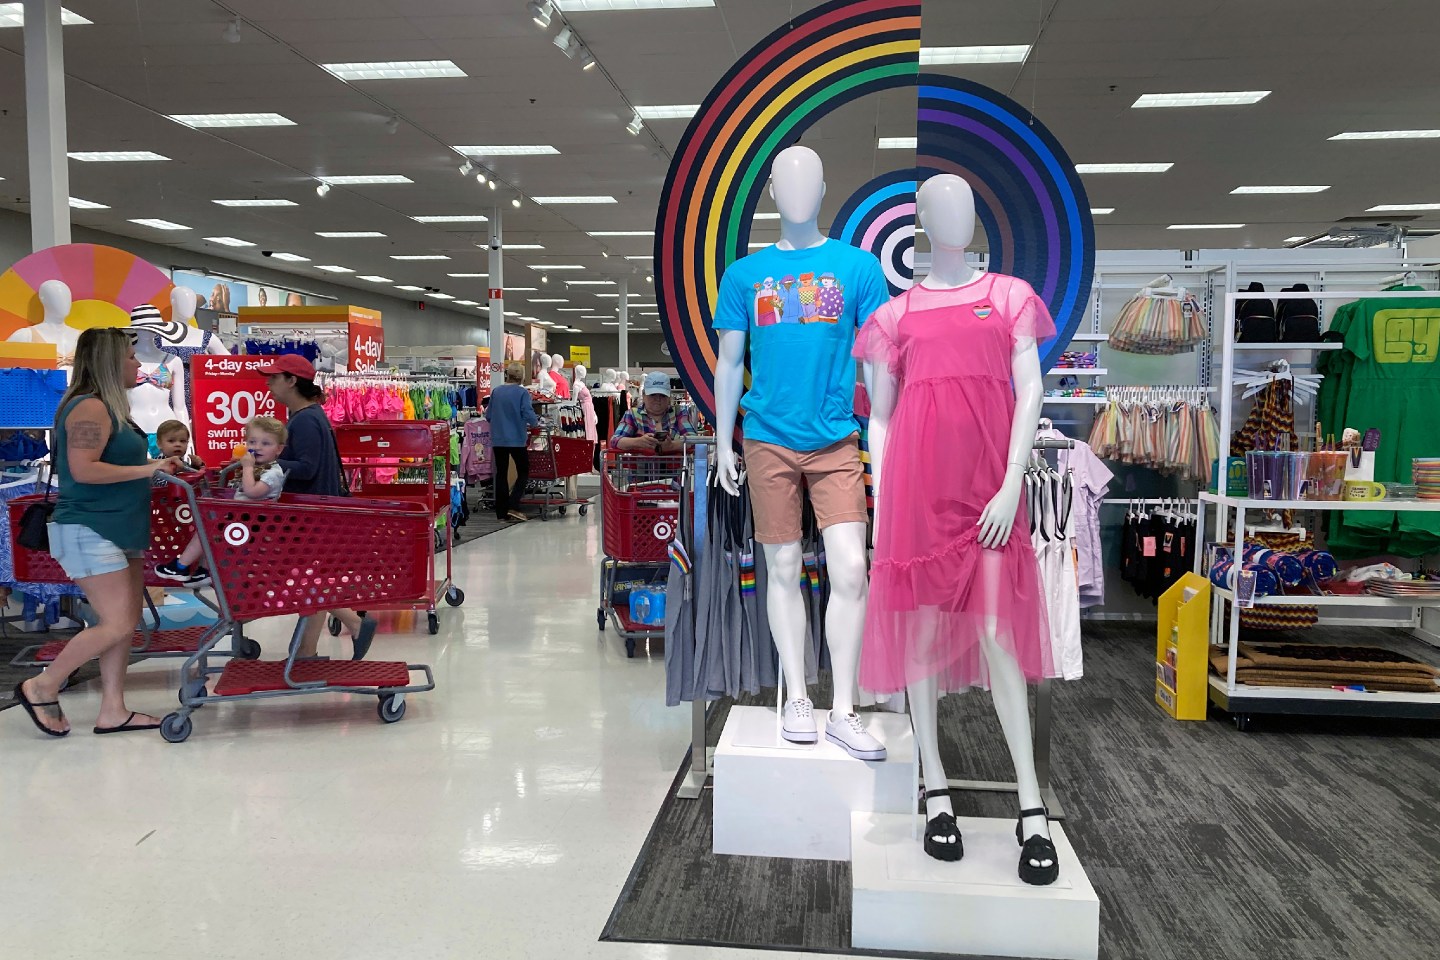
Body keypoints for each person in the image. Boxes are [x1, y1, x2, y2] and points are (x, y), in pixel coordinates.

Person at [12, 328, 183, 737]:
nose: (138, 364)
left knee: (125, 621)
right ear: (109, 361)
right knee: (117, 624)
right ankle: (41, 685)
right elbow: (85, 469)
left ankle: (113, 709)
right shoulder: (89, 408)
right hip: (91, 527)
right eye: (130, 356)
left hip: (120, 528)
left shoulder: (111, 408)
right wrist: (149, 469)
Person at [257, 355, 376, 660]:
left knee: (300, 581)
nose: (269, 383)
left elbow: (307, 468)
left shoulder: (306, 420)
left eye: (274, 377)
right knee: (311, 581)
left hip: (308, 518)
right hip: (315, 514)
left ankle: (354, 622)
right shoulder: (308, 416)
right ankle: (307, 652)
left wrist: (269, 462)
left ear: (292, 381)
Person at [155, 416, 288, 586]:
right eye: (252, 442)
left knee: (205, 530)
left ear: (279, 449)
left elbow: (252, 492)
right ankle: (204, 570)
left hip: (253, 521)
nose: (257, 447)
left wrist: (247, 468)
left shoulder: (274, 473)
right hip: (243, 518)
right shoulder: (260, 468)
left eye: (265, 443)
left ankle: (181, 566)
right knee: (209, 531)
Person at [485, 362, 540, 522]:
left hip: (498, 438)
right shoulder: (522, 393)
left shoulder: (496, 392)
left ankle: (501, 512)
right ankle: (513, 504)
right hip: (516, 438)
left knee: (501, 473)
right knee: (523, 471)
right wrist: (535, 423)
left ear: (507, 375)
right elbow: (528, 413)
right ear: (521, 376)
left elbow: (489, 416)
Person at [609, 372, 695, 454]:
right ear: (643, 395)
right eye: (653, 394)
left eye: (662, 395)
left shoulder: (679, 412)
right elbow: (615, 441)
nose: (657, 399)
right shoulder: (632, 414)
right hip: (640, 468)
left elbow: (694, 440)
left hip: (674, 468)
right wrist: (638, 442)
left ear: (669, 397)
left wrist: (672, 446)